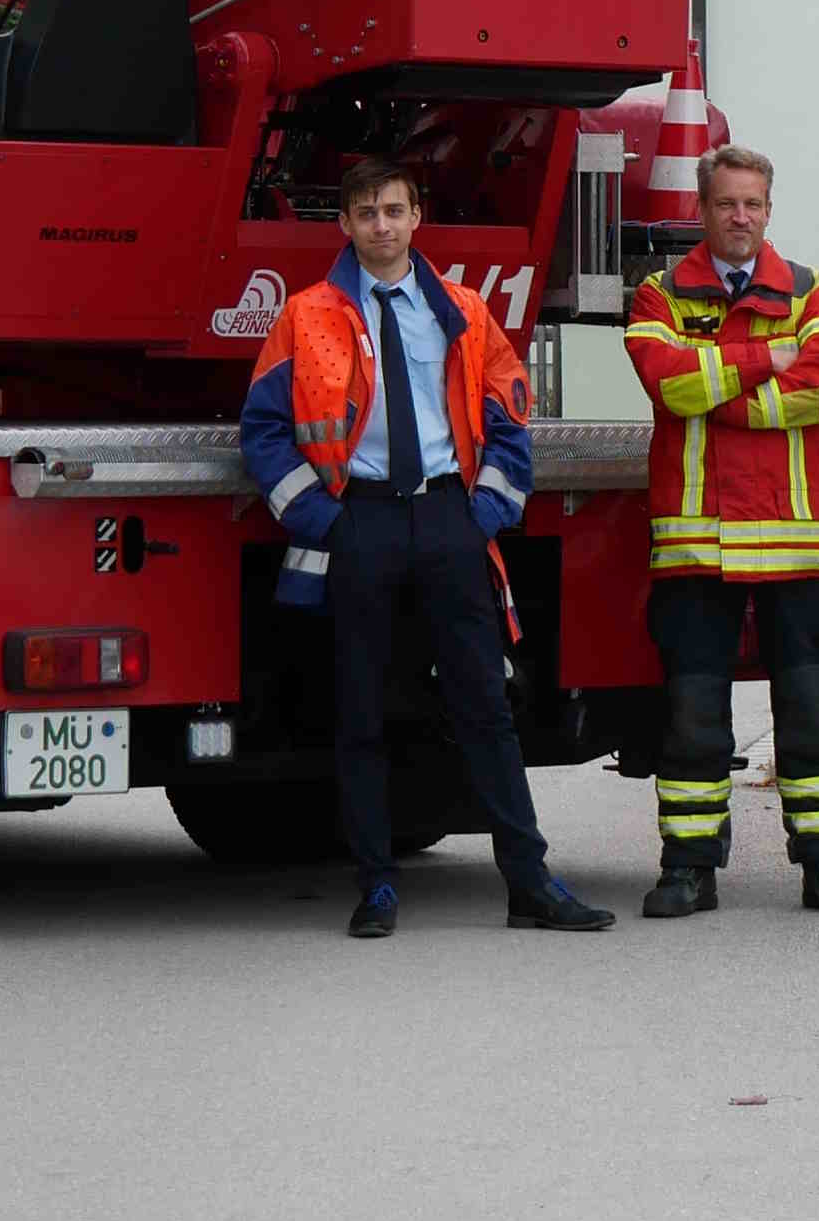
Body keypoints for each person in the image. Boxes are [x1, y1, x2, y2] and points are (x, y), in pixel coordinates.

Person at [239, 162, 613, 937]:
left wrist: (484, 515)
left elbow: (510, 416)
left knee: (485, 706)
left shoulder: (464, 311)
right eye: (366, 212)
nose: (381, 225)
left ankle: (529, 883)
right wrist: (324, 520)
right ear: (345, 224)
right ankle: (376, 887)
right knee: (361, 710)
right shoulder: (305, 316)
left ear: (417, 218)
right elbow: (263, 431)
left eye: (394, 210)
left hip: (448, 519)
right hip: (360, 522)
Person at [623, 143, 819, 917]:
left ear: (768, 209)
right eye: (726, 203)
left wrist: (721, 386)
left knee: (809, 712)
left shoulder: (815, 291)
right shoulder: (659, 294)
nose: (740, 217)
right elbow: (667, 384)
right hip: (697, 544)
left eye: (752, 203)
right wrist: (773, 353)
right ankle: (688, 869)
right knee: (693, 719)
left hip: (795, 543)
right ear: (702, 208)